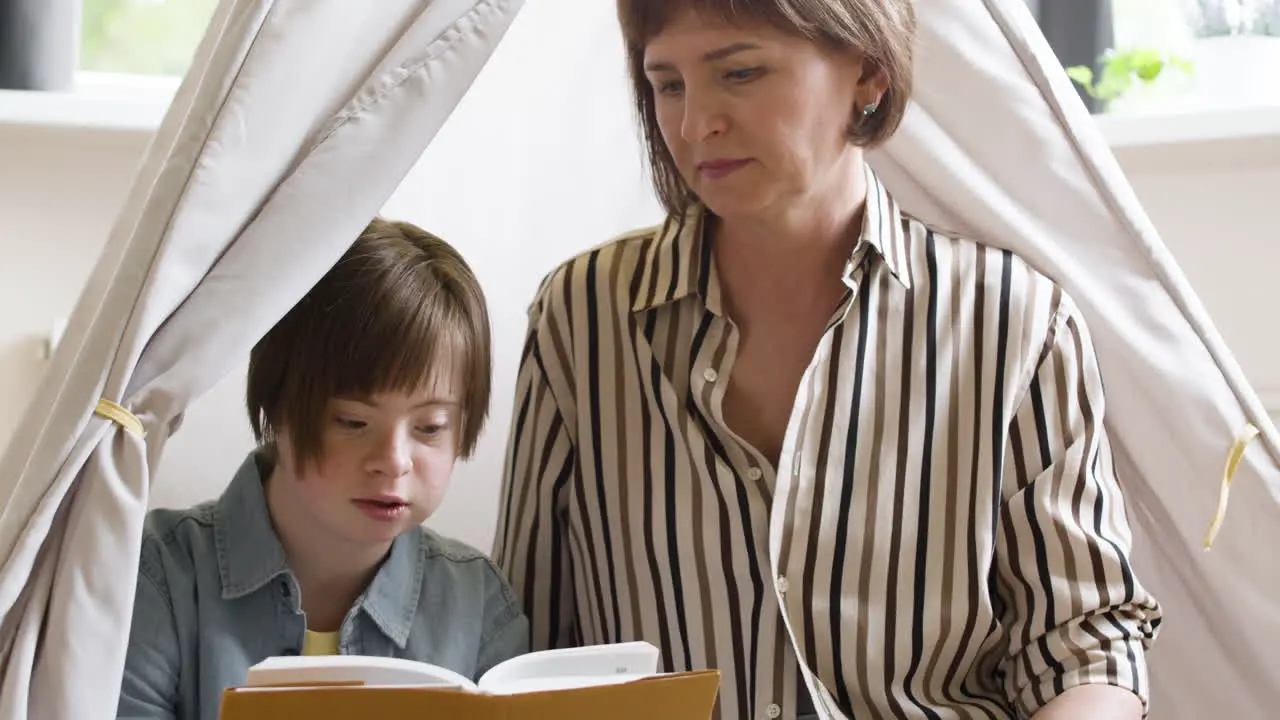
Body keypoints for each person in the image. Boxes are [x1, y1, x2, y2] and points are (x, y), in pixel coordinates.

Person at [492, 1, 1161, 719]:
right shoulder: (581, 318)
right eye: (668, 85)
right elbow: (526, 638)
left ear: (868, 72)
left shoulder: (1015, 322)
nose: (695, 126)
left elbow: (1085, 641)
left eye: (740, 73)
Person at [118, 218, 529, 719]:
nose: (394, 462)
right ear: (278, 406)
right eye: (353, 421)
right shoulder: (158, 577)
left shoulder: (478, 603)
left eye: (430, 427)